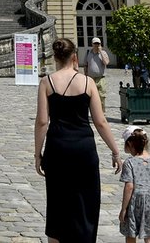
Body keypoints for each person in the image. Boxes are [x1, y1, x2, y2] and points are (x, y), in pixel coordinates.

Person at [34, 37, 122, 243]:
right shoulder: (88, 82)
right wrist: (115, 151)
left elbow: (42, 122)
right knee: (86, 203)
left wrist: (38, 154)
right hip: (84, 149)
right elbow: (100, 122)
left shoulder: (47, 82)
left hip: (57, 148)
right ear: (75, 57)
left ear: (55, 57)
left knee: (57, 203)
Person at [118, 126, 150, 243]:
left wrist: (123, 209)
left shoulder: (129, 162)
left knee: (131, 232)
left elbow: (129, 187)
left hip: (135, 203)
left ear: (130, 144)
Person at [84, 37, 110, 104]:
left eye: (98, 43)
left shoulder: (103, 53)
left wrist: (101, 52)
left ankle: (102, 112)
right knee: (91, 96)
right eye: (95, 43)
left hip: (101, 78)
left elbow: (106, 62)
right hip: (91, 78)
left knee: (101, 96)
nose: (96, 45)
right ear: (92, 44)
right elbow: (85, 65)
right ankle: (93, 112)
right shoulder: (88, 53)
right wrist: (85, 75)